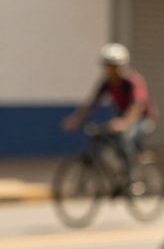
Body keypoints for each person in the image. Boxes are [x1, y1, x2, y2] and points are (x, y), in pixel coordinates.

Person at [63, 43, 158, 185]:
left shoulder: (132, 81)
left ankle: (132, 175)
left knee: (125, 138)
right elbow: (92, 102)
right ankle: (116, 174)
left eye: (114, 66)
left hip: (142, 119)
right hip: (122, 118)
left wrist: (125, 122)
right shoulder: (107, 83)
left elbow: (137, 104)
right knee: (99, 138)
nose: (110, 70)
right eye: (108, 66)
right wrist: (76, 119)